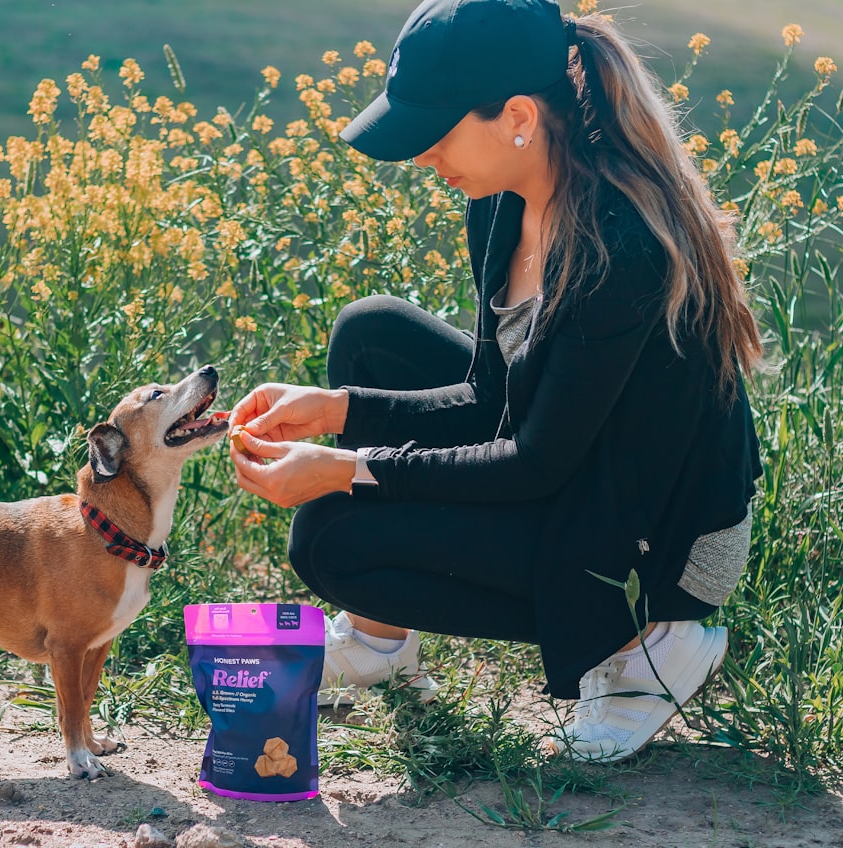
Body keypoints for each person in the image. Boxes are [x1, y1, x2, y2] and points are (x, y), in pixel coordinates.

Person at [228, 0, 763, 762]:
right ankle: (381, 645)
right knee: (369, 336)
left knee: (332, 541)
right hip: (579, 458)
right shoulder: (503, 202)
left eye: (437, 132)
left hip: (662, 536)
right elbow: (490, 398)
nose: (423, 157)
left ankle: (644, 648)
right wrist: (338, 409)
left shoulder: (618, 246)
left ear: (518, 117)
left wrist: (348, 468)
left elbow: (533, 461)